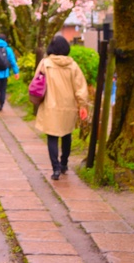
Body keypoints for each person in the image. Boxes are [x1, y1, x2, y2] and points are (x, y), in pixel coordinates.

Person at [33, 35, 88, 180]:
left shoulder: (45, 63)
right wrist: (82, 104)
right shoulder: (73, 65)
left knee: (52, 136)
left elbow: (36, 82)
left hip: (51, 105)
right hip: (68, 106)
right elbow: (80, 87)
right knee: (66, 134)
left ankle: (55, 168)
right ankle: (64, 163)